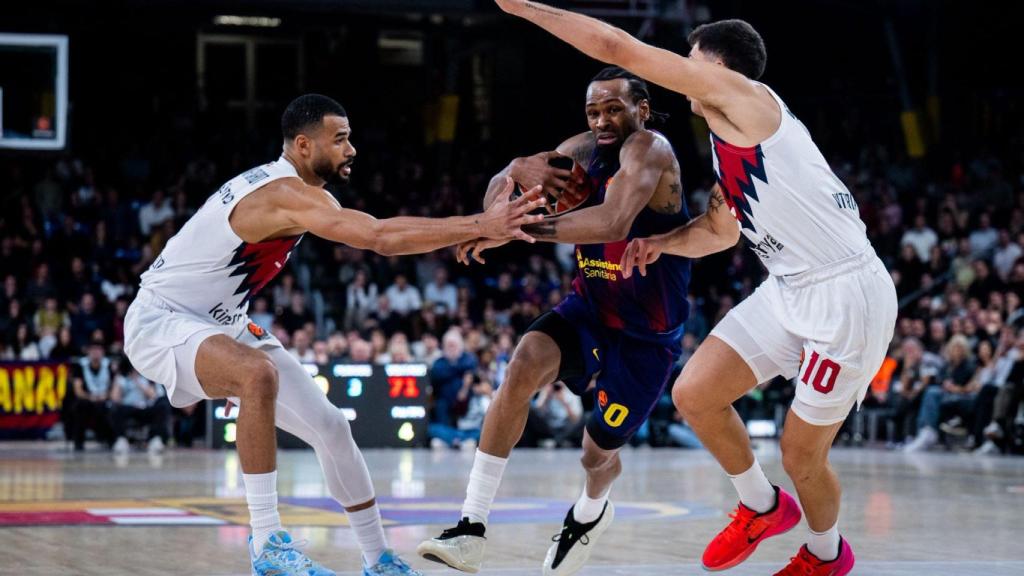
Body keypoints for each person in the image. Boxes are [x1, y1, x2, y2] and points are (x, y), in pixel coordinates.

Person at [493, 3, 898, 574]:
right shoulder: (726, 134)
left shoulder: (746, 100)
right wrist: (662, 244)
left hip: (847, 296)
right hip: (788, 287)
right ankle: (761, 505)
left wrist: (525, 8)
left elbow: (616, 47)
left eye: (691, 59)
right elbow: (718, 231)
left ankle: (827, 554)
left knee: (801, 455)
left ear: (719, 67)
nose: (683, 67)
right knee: (695, 394)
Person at [123, 94, 545, 576]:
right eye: (340, 139)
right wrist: (480, 223)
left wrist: (472, 231)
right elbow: (379, 237)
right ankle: (267, 545)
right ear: (303, 145)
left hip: (220, 323)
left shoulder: (302, 192)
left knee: (331, 427)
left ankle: (379, 559)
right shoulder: (283, 194)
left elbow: (380, 232)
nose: (352, 149)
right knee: (256, 374)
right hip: (161, 320)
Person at [419, 67, 692, 576]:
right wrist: (511, 174)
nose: (603, 120)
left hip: (645, 338)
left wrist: (519, 232)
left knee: (595, 457)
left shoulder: (650, 150)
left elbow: (613, 221)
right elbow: (505, 190)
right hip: (588, 308)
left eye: (614, 108)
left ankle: (589, 515)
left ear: (642, 110)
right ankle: (470, 527)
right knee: (522, 365)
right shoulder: (582, 151)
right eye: (594, 111)